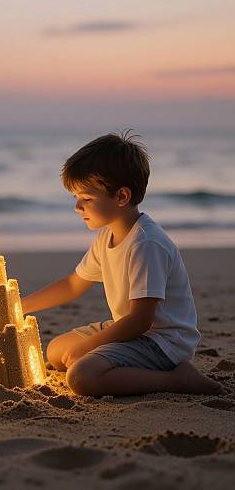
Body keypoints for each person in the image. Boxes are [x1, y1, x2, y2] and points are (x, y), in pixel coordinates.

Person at [21, 131, 221, 397]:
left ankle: (177, 379)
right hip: (130, 328)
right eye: (76, 199)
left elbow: (141, 320)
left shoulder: (146, 244)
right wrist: (18, 307)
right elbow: (73, 285)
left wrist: (88, 346)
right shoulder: (108, 235)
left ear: (121, 197)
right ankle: (112, 360)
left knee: (81, 377)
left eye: (87, 199)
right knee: (56, 350)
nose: (78, 207)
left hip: (161, 341)